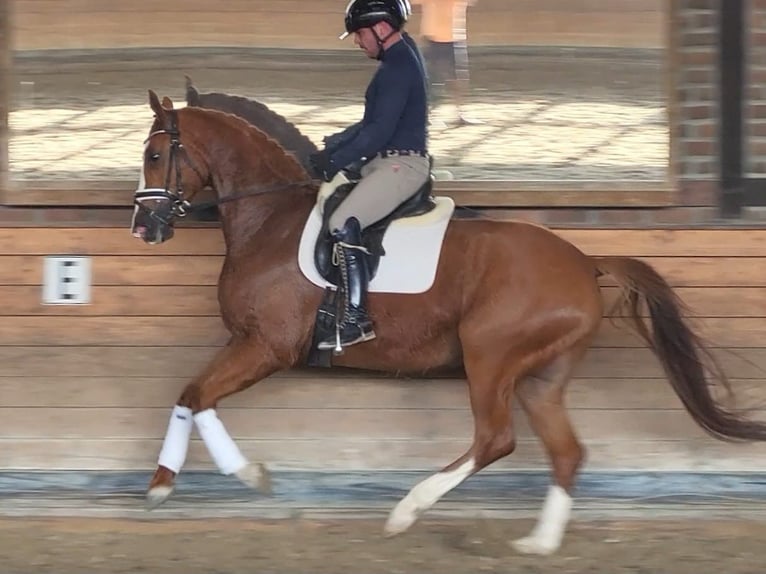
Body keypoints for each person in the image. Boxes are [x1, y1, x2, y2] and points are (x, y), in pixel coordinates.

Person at [309, 0, 430, 351]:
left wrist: (335, 161)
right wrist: (335, 145)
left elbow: (377, 132)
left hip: (400, 166)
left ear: (380, 28)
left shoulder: (397, 69)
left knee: (343, 222)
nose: (357, 42)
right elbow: (371, 124)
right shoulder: (401, 56)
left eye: (360, 34)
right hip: (383, 160)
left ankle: (356, 319)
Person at [413, 0, 482, 126]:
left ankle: (459, 114)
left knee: (458, 78)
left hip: (453, 37)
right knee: (430, 78)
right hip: (433, 38)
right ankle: (426, 115)